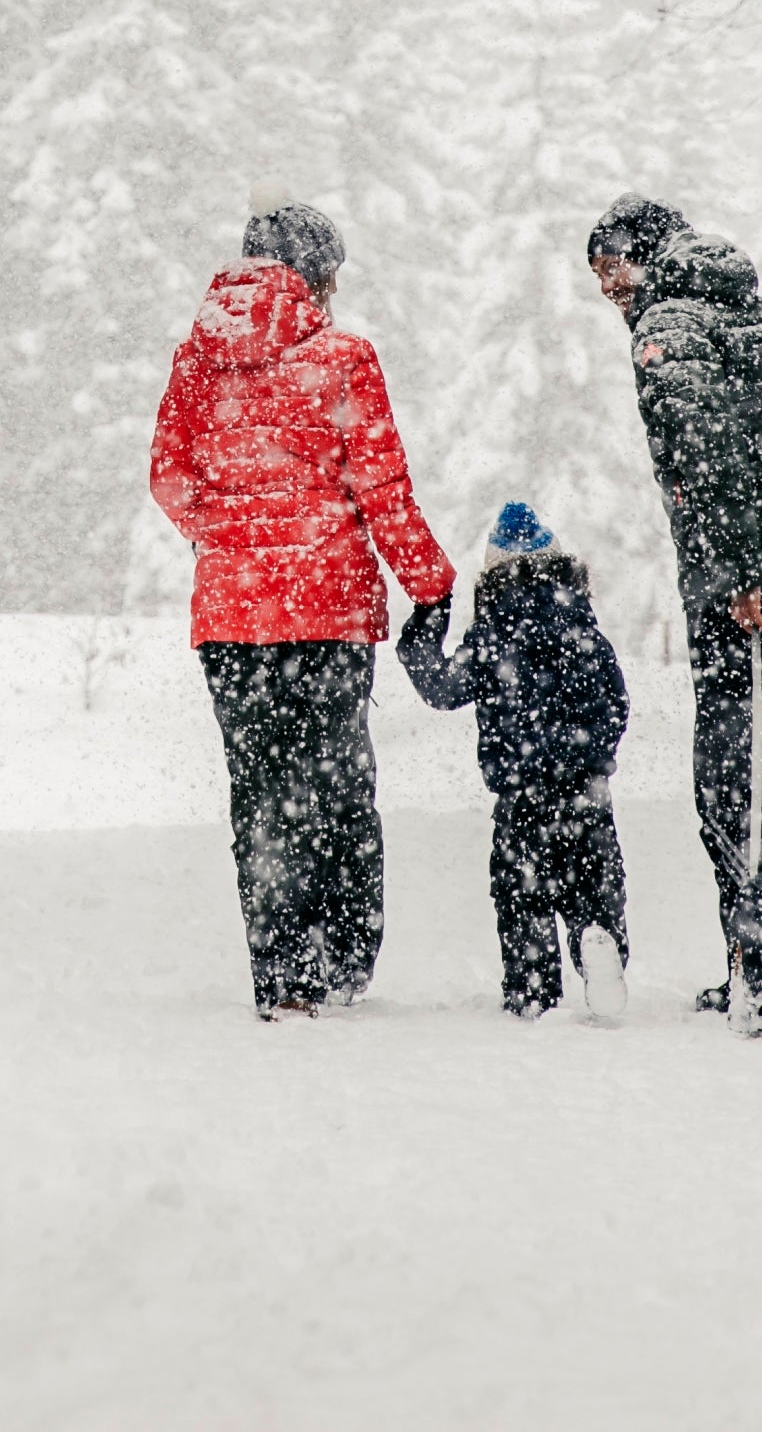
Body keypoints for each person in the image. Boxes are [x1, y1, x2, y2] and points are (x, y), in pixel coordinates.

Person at [149, 195, 456, 1018]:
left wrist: (230, 540)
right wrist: (430, 581)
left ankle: (279, 971)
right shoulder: (342, 357)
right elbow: (382, 488)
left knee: (259, 792)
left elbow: (168, 477)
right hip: (328, 613)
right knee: (336, 786)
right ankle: (343, 955)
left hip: (233, 619)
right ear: (317, 275)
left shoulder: (195, 360)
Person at [583, 191, 762, 1018]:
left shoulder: (669, 325)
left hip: (744, 588)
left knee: (733, 774)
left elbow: (702, 452)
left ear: (648, 256)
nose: (606, 287)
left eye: (610, 266)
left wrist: (743, 575)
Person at [396, 500, 633, 1022]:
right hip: (585, 791)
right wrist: (595, 758)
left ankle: (533, 990)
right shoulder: (584, 631)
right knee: (594, 883)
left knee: (523, 897)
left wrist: (422, 628)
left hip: (520, 795)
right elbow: (618, 704)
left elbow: (439, 687)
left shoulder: (492, 637)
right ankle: (598, 939)